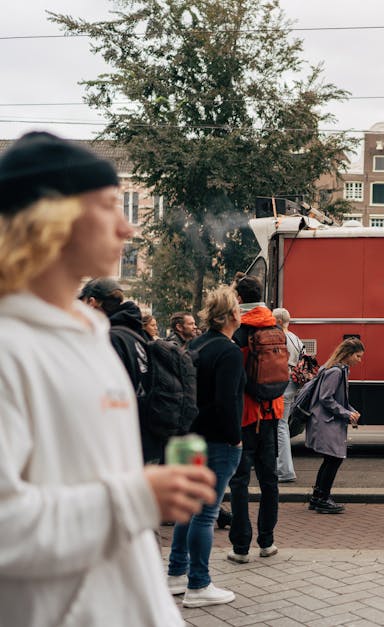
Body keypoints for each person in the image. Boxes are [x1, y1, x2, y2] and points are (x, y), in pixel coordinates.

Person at [0, 131, 215, 626]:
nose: (128, 227)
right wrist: (138, 497)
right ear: (54, 218)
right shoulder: (10, 349)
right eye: (109, 206)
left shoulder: (92, 338)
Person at [167, 285, 245, 608]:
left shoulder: (194, 345)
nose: (241, 314)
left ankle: (176, 573)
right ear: (229, 316)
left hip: (189, 435)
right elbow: (227, 402)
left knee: (187, 509)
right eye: (238, 309)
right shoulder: (229, 352)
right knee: (206, 514)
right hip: (217, 440)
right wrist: (235, 438)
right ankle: (199, 584)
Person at [226, 275, 283, 564]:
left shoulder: (239, 330)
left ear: (238, 298)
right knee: (269, 479)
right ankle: (267, 541)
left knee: (239, 481)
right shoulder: (274, 324)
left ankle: (240, 547)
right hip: (272, 411)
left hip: (247, 413)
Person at [79, 276, 165, 464]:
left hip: (122, 446)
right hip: (145, 439)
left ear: (92, 303)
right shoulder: (138, 334)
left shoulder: (108, 339)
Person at [305, 338, 364, 514]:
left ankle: (318, 496)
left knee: (330, 459)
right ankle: (322, 498)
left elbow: (339, 399)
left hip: (326, 420)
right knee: (334, 458)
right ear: (348, 355)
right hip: (326, 422)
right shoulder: (336, 372)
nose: (359, 360)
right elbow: (326, 398)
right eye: (358, 356)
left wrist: (351, 410)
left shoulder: (336, 368)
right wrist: (347, 413)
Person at [272, 307, 299, 483]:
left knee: (280, 427)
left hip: (281, 384)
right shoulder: (296, 338)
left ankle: (285, 470)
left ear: (279, 321)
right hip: (291, 385)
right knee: (283, 426)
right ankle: (283, 467)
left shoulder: (280, 338)